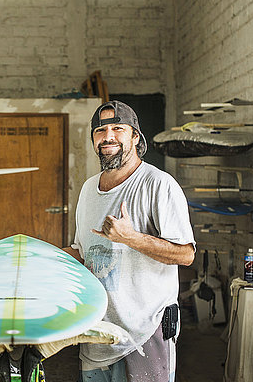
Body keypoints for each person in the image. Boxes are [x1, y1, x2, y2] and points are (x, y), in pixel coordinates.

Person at [64, 101, 195, 382]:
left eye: (117, 128)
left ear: (135, 136)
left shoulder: (158, 184)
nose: (108, 136)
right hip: (95, 333)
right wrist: (39, 256)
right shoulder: (89, 189)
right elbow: (82, 252)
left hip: (143, 333)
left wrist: (130, 238)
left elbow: (185, 255)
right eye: (100, 130)